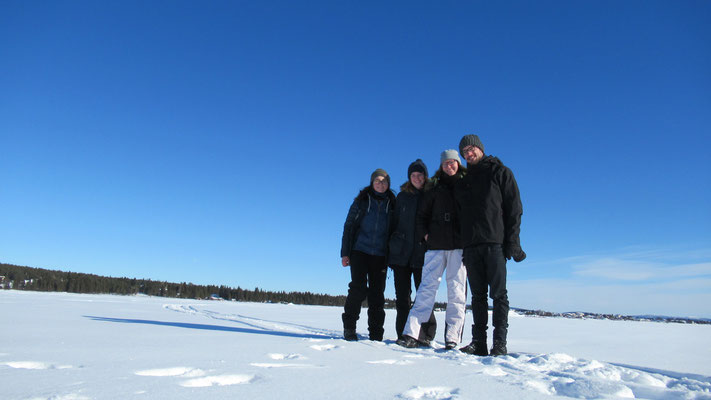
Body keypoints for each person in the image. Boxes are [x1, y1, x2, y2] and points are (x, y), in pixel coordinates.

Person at [455, 134, 526, 357]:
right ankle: (479, 343)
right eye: (464, 151)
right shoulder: (465, 180)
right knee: (477, 297)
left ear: (480, 148)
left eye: (471, 148)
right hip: (472, 246)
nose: (468, 153)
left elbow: (515, 209)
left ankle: (499, 344)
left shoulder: (500, 172)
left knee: (499, 295)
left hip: (495, 243)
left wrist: (512, 242)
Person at [397, 150, 468, 350]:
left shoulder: (466, 184)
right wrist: (426, 235)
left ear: (457, 163)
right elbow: (422, 215)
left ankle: (453, 337)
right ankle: (412, 333)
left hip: (458, 246)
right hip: (436, 245)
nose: (449, 166)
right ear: (441, 166)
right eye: (445, 163)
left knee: (456, 291)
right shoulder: (434, 186)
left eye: (452, 162)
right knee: (426, 290)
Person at [340, 168, 396, 341]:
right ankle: (349, 328)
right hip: (359, 251)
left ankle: (376, 333)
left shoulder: (393, 204)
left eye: (384, 181)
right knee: (357, 289)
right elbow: (349, 226)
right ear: (372, 183)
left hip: (380, 255)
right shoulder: (362, 201)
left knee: (377, 295)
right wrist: (345, 253)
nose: (381, 184)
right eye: (377, 181)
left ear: (388, 184)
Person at [388, 159, 437, 342]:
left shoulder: (432, 195)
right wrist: (391, 248)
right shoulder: (402, 197)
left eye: (420, 174)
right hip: (400, 254)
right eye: (413, 175)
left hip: (422, 254)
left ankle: (425, 335)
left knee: (423, 296)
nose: (416, 178)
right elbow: (393, 224)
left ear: (425, 176)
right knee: (402, 298)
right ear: (409, 177)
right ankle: (403, 334)